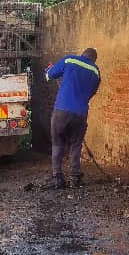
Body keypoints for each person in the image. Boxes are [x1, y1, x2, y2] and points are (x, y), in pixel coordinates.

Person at [45, 47, 101, 189]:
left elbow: (49, 76)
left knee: (58, 143)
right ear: (94, 60)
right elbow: (91, 93)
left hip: (62, 111)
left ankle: (57, 177)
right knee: (76, 145)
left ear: (82, 55)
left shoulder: (69, 60)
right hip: (80, 114)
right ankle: (75, 178)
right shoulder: (96, 72)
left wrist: (49, 69)